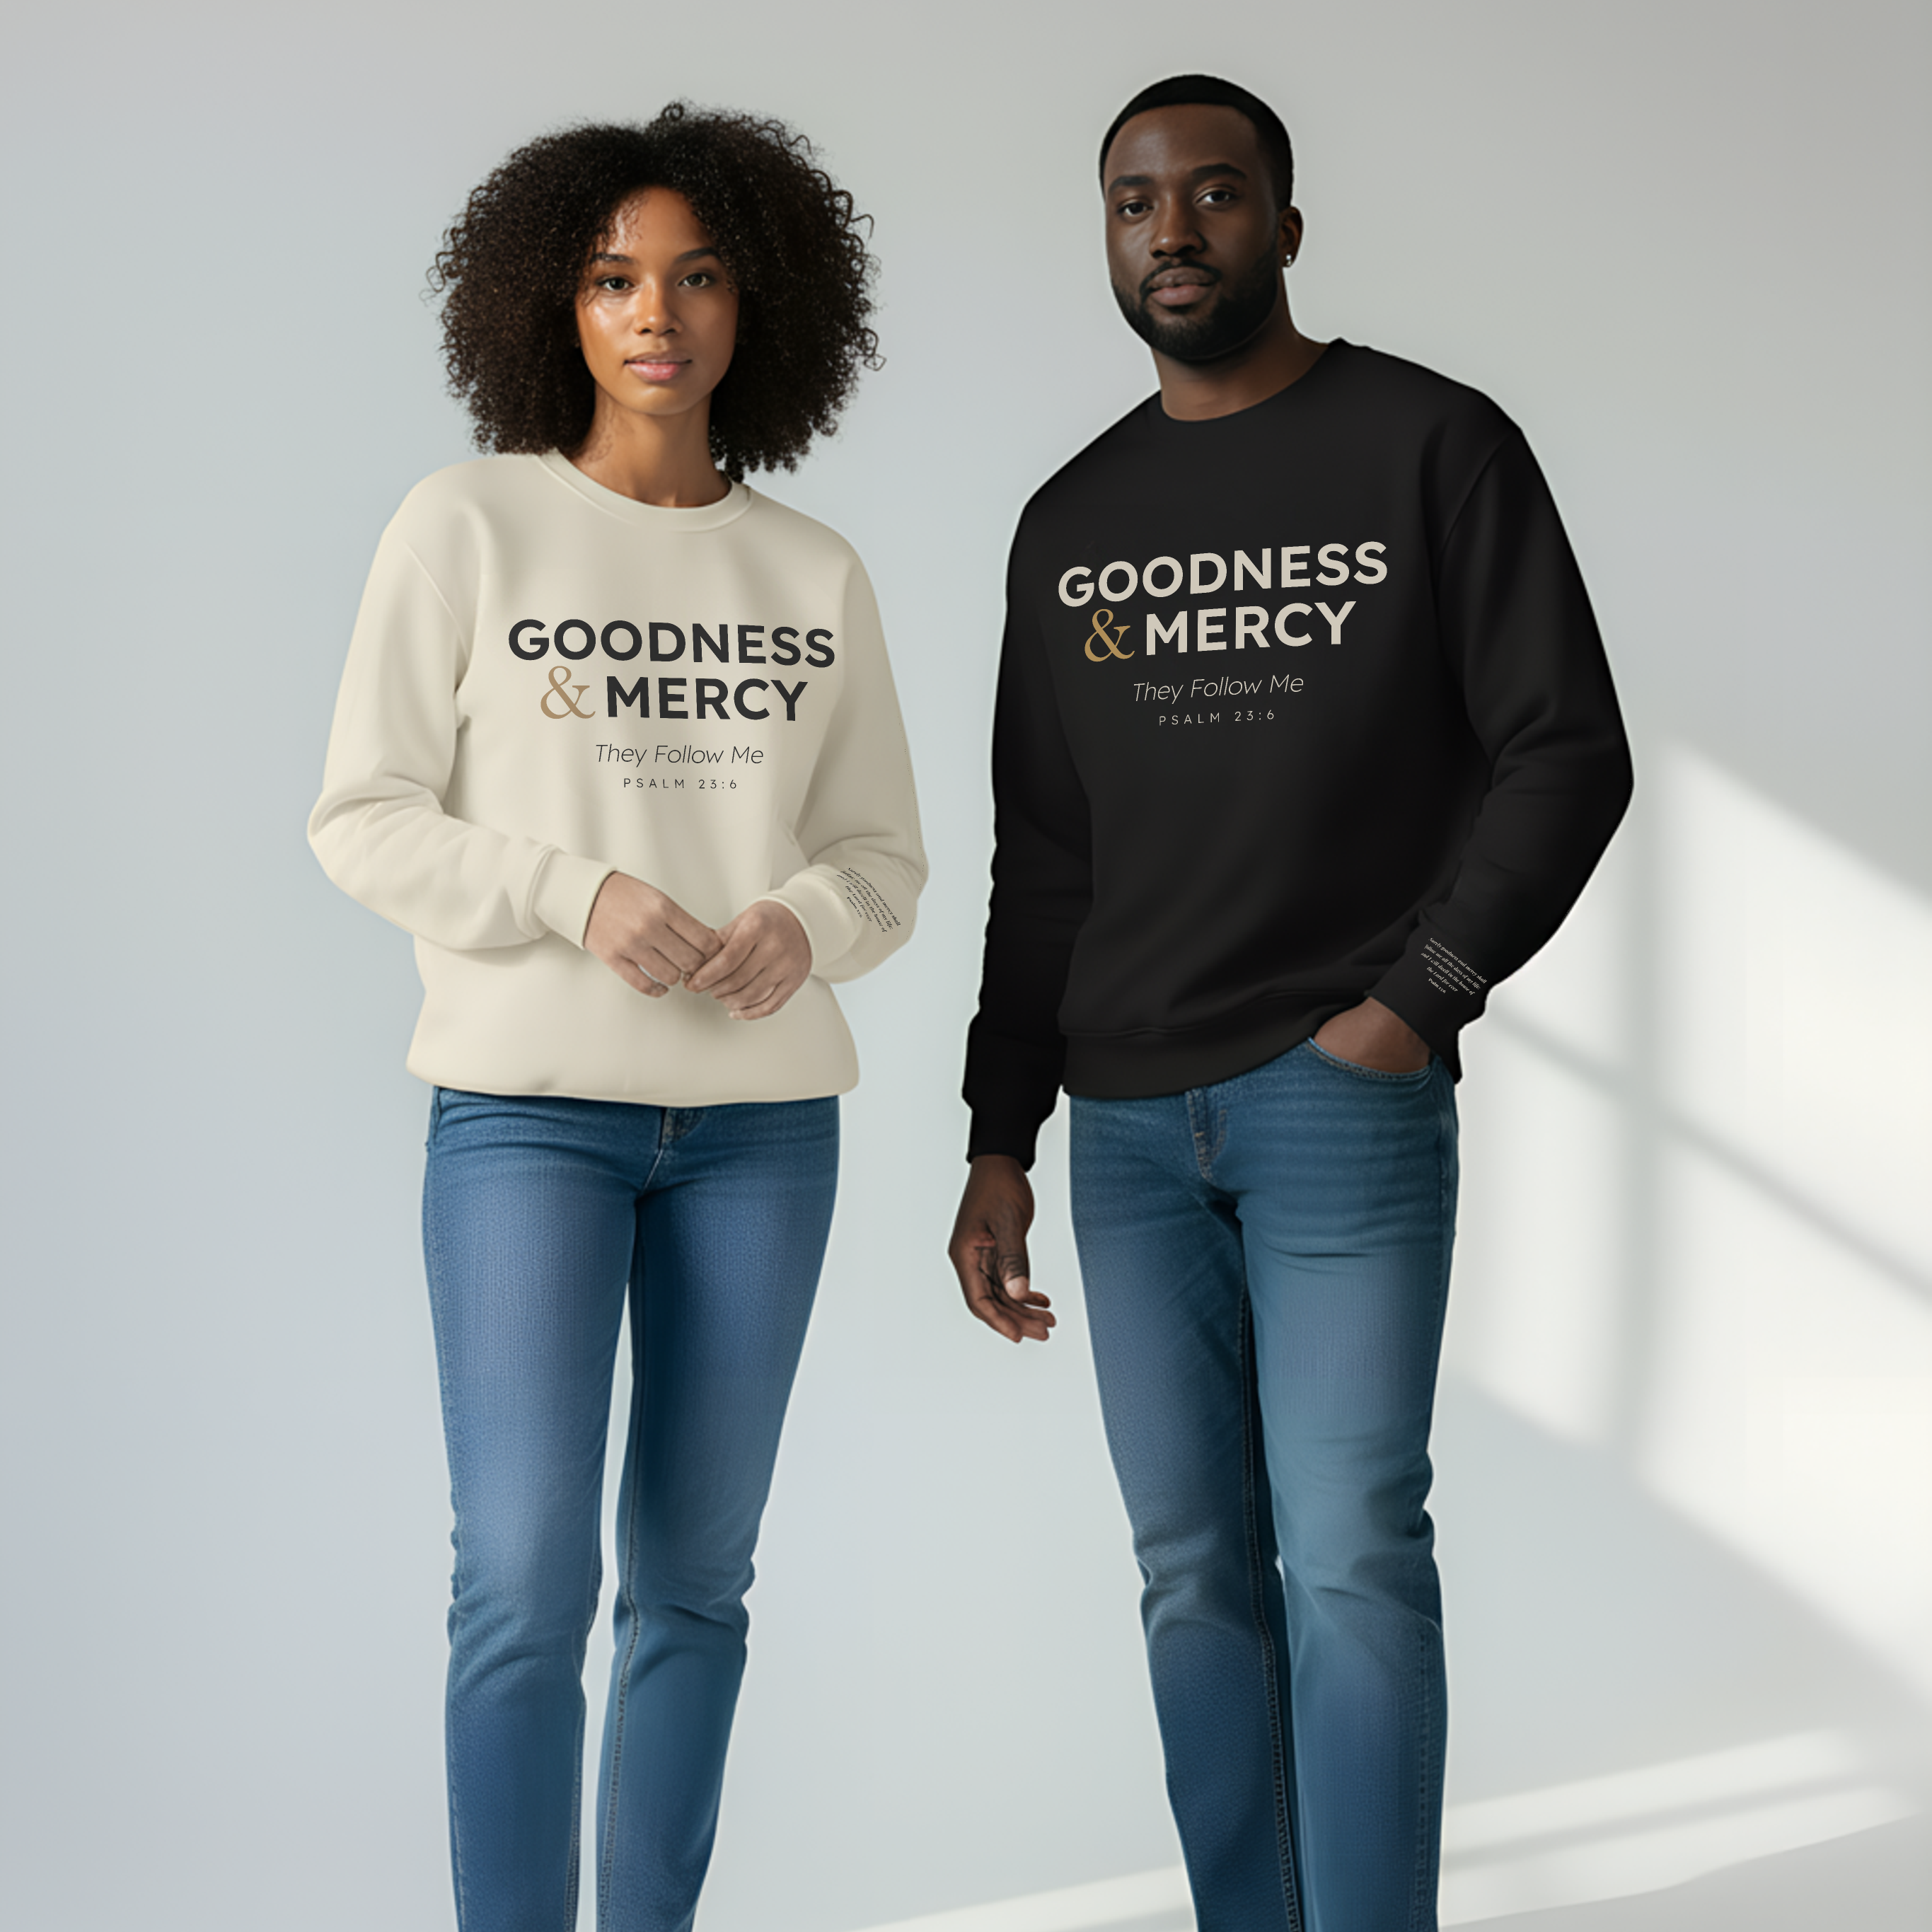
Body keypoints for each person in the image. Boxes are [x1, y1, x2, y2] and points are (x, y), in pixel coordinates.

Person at [947, 74, 1631, 1932]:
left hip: (1341, 1093)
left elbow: (1565, 756)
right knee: (1193, 1575)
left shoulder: (1432, 447)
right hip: (1124, 1131)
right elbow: (1046, 857)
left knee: (1343, 1556)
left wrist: (1418, 1001)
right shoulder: (1069, 523)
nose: (1173, 232)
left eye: (1216, 195)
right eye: (1134, 204)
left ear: (1287, 224)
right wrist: (1000, 1136)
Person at [309, 108, 924, 1932]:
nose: (657, 313)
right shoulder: (468, 525)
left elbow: (885, 861)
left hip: (763, 1139)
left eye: (698, 273)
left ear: (761, 303)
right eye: (613, 278)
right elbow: (363, 818)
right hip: (527, 1120)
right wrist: (575, 894)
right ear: (553, 306)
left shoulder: (813, 572)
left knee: (697, 1584)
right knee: (520, 1582)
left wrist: (800, 927)